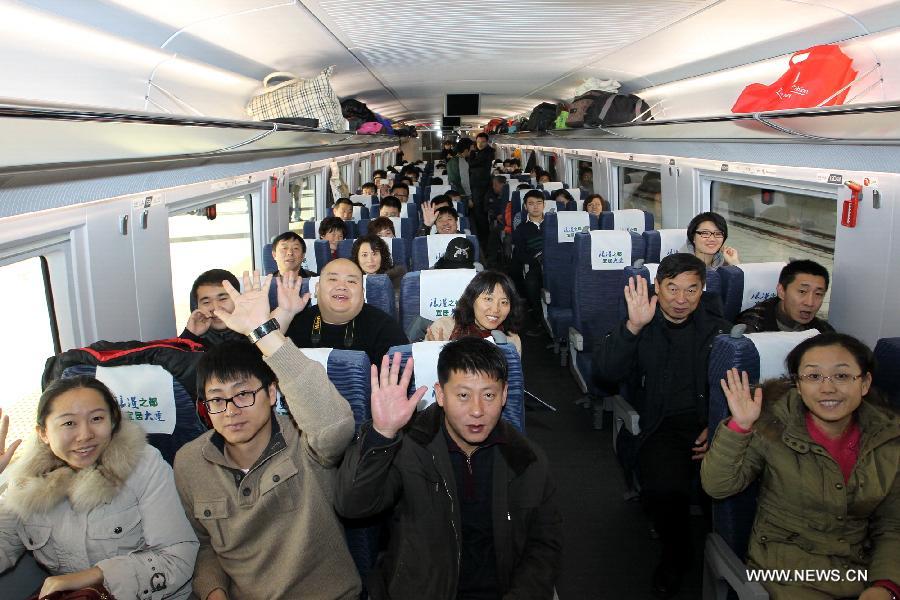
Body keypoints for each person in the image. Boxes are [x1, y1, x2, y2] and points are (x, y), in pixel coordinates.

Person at [174, 272, 361, 600]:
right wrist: (214, 592)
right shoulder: (189, 462)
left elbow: (335, 425)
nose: (231, 410)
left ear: (272, 393)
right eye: (217, 400)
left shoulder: (306, 443)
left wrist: (263, 331)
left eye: (244, 394)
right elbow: (208, 546)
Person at [335, 337, 563, 599]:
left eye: (488, 395)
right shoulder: (408, 448)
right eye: (463, 395)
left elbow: (544, 546)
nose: (477, 410)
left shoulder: (527, 460)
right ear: (441, 395)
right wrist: (382, 434)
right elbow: (352, 505)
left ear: (504, 395)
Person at [702, 332, 900, 600]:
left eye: (842, 376)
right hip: (785, 571)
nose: (827, 388)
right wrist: (741, 426)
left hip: (859, 569)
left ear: (864, 383)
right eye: (813, 376)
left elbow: (893, 525)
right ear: (798, 384)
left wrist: (885, 586)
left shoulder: (887, 438)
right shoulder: (773, 426)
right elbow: (718, 486)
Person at [593, 253, 730, 597]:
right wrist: (633, 327)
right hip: (660, 425)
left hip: (707, 423)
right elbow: (605, 375)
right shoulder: (639, 321)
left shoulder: (718, 329)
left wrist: (718, 426)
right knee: (666, 489)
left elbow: (734, 384)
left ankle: (734, 556)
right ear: (657, 287)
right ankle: (676, 555)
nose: (681, 300)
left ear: (702, 292)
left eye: (691, 290)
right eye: (672, 289)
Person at [0, 380, 198, 599]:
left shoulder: (144, 465)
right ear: (43, 433)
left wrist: (95, 576)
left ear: (113, 422)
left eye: (97, 419)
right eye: (68, 423)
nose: (85, 435)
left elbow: (178, 556)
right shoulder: (25, 482)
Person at [284, 259, 408, 364]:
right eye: (333, 279)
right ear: (317, 289)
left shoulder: (385, 328)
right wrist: (283, 313)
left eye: (351, 281)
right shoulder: (295, 322)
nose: (342, 286)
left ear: (362, 292)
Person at [426, 270, 524, 355]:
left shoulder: (511, 341)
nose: (495, 310)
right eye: (488, 299)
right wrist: (436, 355)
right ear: (472, 300)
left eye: (504, 302)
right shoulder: (443, 329)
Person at [736, 259, 835, 334]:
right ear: (781, 291)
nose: (810, 303)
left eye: (818, 294)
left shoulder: (823, 331)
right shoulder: (752, 328)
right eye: (802, 291)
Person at [181, 269, 245, 347]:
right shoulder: (193, 343)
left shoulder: (256, 337)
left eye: (223, 299)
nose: (216, 308)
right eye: (206, 302)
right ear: (195, 306)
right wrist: (189, 337)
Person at [512, 190, 546, 332]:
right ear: (525, 207)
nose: (535, 207)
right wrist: (536, 260)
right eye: (531, 204)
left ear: (544, 205)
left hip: (556, 264)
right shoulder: (521, 229)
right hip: (536, 264)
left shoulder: (554, 224)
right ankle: (539, 319)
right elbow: (519, 253)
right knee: (531, 282)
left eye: (539, 203)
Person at [469, 133, 496, 247]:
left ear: (487, 142)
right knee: (478, 211)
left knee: (480, 212)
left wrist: (471, 153)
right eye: (478, 142)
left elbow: (472, 164)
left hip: (481, 186)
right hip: (477, 185)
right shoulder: (479, 152)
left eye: (482, 142)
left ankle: (483, 239)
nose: (480, 144)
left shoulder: (488, 152)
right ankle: (482, 236)